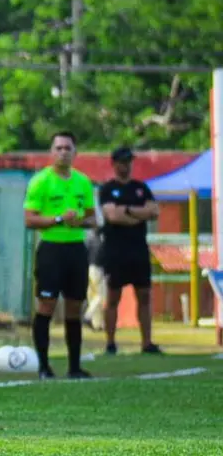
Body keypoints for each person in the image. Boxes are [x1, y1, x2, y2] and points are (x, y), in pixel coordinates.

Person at [23, 131, 97, 380]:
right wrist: (57, 219)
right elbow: (30, 219)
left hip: (76, 250)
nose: (63, 152)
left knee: (75, 307)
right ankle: (44, 367)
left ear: (75, 152)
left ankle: (74, 367)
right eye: (59, 148)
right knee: (46, 304)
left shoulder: (83, 182)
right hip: (51, 250)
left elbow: (92, 217)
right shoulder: (41, 181)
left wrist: (81, 222)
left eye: (68, 147)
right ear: (51, 152)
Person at [98, 146, 162, 355]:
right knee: (113, 296)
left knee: (144, 295)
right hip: (116, 251)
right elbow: (112, 216)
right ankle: (110, 342)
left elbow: (154, 211)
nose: (126, 165)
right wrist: (138, 214)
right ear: (114, 163)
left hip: (138, 250)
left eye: (129, 161)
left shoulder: (141, 188)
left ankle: (147, 342)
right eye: (122, 162)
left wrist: (126, 209)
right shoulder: (107, 189)